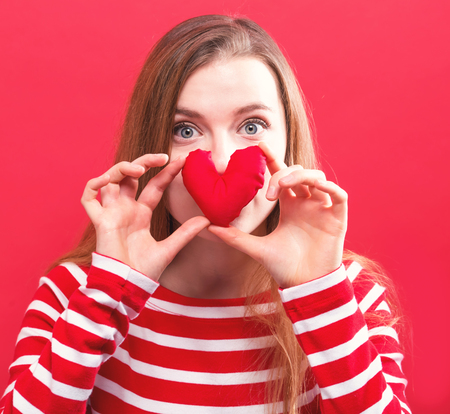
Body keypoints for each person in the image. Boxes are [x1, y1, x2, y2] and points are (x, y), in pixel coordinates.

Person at [0, 15, 410, 414]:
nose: (219, 160)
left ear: (289, 142)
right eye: (185, 130)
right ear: (151, 145)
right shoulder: (79, 292)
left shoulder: (347, 295)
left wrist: (318, 297)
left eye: (251, 126)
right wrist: (111, 292)